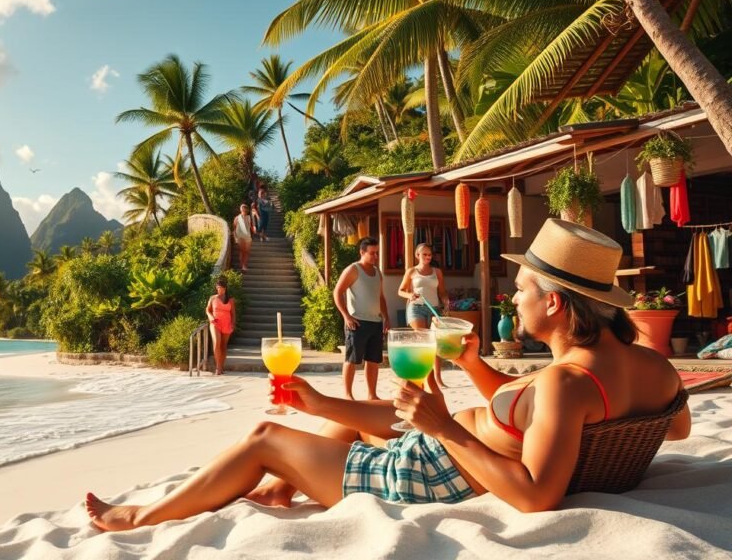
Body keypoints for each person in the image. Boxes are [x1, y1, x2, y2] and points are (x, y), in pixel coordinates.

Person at [85, 219, 690, 531]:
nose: (516, 300)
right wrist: (473, 367)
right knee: (347, 422)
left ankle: (135, 517)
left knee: (265, 437)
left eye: (524, 288)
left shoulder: (564, 383)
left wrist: (445, 428)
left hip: (436, 472)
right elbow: (677, 427)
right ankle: (283, 478)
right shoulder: (649, 367)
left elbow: (536, 497)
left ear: (556, 304)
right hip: (455, 450)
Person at [334, 236, 391, 400]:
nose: (375, 257)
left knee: (373, 361)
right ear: (362, 252)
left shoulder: (377, 272)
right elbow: (337, 292)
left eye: (377, 253)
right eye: (372, 253)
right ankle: (347, 394)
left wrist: (386, 318)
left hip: (375, 322)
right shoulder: (353, 269)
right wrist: (346, 316)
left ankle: (372, 394)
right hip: (357, 321)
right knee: (352, 359)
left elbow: (381, 297)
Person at [398, 242, 451, 384]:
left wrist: (446, 301)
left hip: (433, 308)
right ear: (417, 255)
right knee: (423, 341)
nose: (428, 257)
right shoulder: (411, 271)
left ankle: (437, 379)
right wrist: (410, 296)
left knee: (434, 343)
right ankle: (423, 376)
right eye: (425, 254)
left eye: (430, 254)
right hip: (416, 307)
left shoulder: (437, 272)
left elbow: (442, 292)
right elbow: (400, 290)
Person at [205, 276, 235, 375]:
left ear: (225, 288)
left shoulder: (230, 300)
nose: (219, 290)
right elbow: (207, 310)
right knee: (217, 342)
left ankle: (221, 366)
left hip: (227, 324)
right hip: (215, 323)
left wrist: (233, 325)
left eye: (221, 288)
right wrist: (211, 317)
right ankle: (218, 367)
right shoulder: (212, 298)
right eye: (217, 288)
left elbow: (233, 314)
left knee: (223, 346)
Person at [233, 204, 254, 272]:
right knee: (242, 251)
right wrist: (235, 237)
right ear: (241, 210)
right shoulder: (237, 218)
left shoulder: (249, 217)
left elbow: (251, 227)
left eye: (245, 208)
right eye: (243, 209)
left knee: (247, 252)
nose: (244, 210)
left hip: (247, 236)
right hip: (240, 236)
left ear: (247, 210)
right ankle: (243, 266)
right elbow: (234, 228)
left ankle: (244, 265)